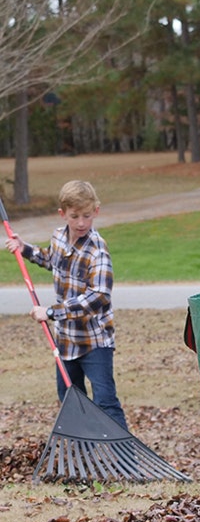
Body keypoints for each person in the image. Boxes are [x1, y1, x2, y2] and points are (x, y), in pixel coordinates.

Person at [5, 179, 129, 430]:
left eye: (86, 215)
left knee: (105, 400)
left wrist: (51, 312)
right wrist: (24, 248)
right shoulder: (59, 237)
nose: (81, 223)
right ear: (63, 214)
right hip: (65, 340)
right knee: (71, 399)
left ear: (96, 211)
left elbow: (99, 296)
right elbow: (51, 259)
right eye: (74, 216)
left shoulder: (98, 251)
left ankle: (125, 461)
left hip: (95, 341)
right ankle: (83, 453)